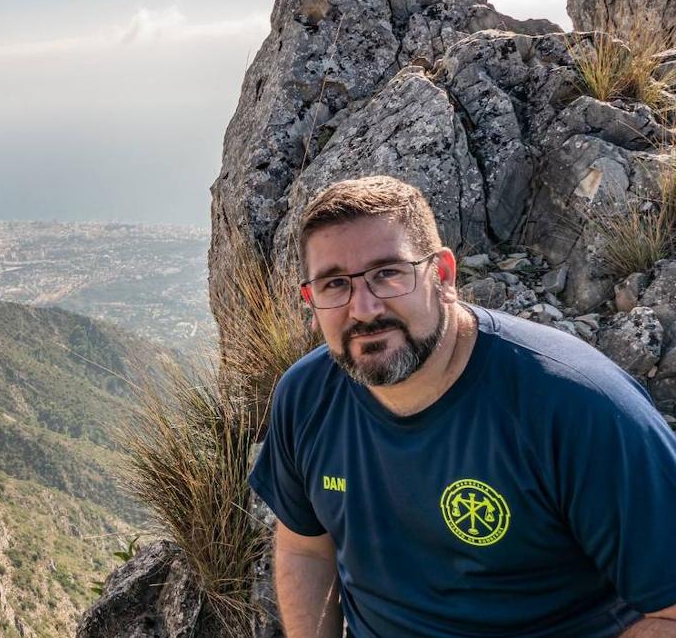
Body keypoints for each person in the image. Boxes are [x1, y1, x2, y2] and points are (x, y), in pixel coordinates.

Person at [247, 175, 676, 638]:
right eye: (334, 284)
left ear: (444, 276)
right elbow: (306, 549)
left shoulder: (577, 406)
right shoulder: (306, 396)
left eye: (388, 273)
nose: (364, 308)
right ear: (311, 300)